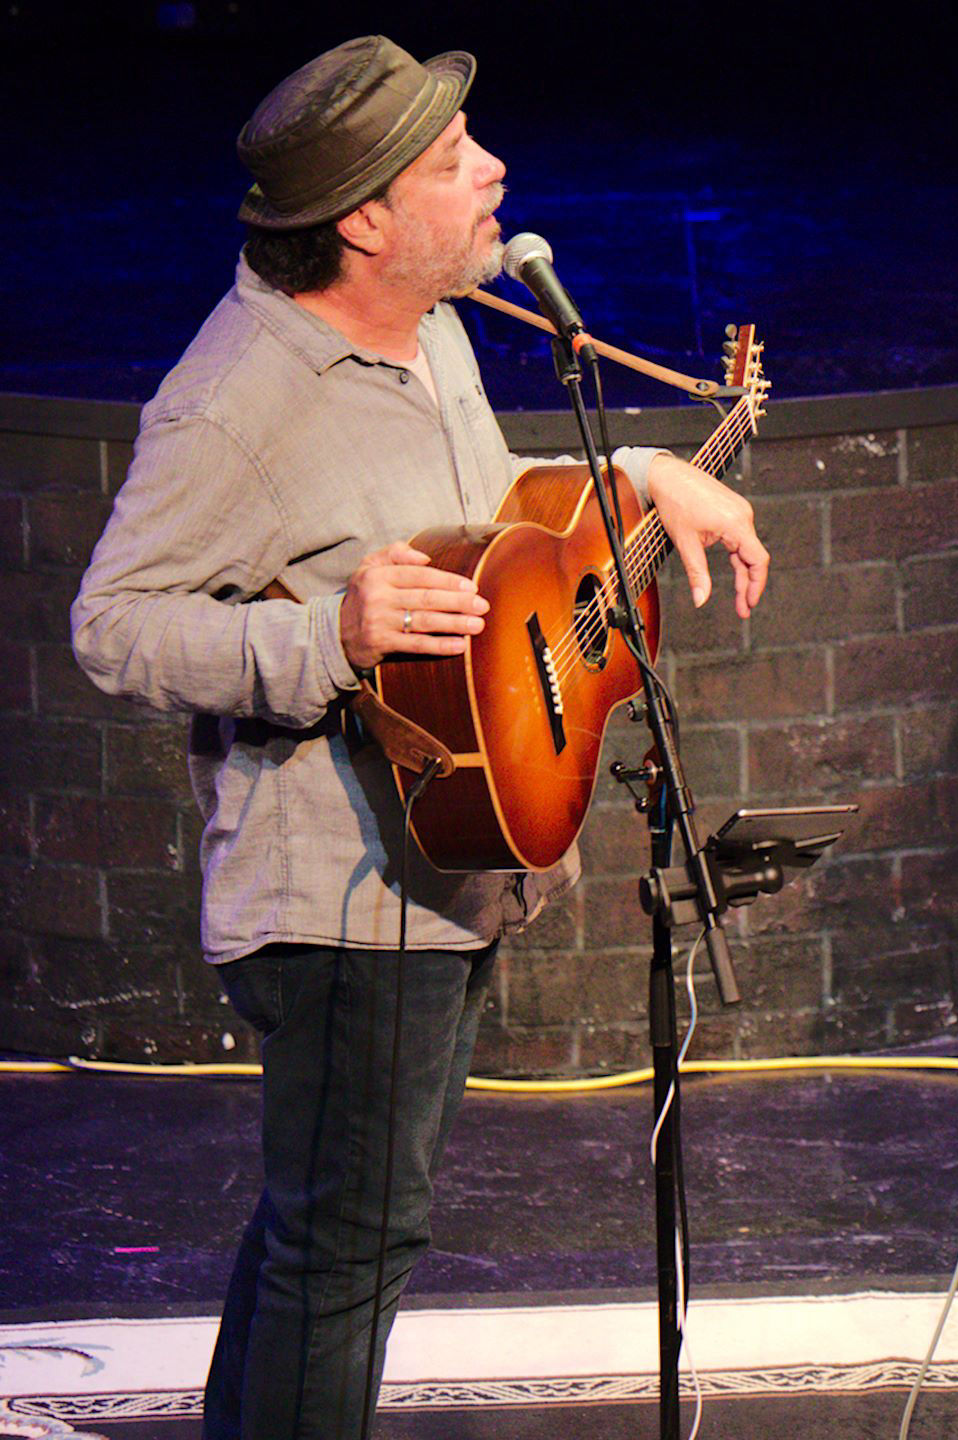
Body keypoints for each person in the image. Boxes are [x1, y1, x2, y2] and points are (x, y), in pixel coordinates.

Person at [70, 36, 768, 1440]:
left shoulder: (436, 327)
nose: (495, 171)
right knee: (351, 1248)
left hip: (439, 870)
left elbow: (485, 510)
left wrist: (635, 477)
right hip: (338, 898)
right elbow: (113, 624)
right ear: (365, 220)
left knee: (322, 1234)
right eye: (454, 164)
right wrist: (327, 632)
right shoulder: (237, 400)